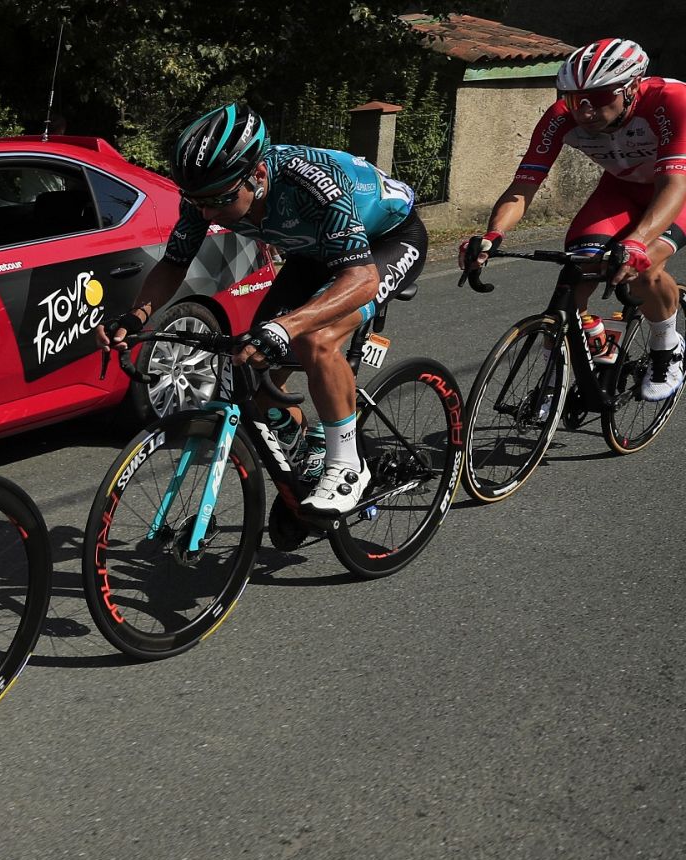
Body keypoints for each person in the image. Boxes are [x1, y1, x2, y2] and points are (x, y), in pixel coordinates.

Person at [97, 101, 427, 517]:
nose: (207, 213)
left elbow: (361, 280)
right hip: (314, 254)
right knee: (251, 367)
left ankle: (347, 466)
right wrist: (135, 317)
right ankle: (311, 446)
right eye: (196, 201)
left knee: (315, 338)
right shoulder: (210, 193)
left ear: (256, 175)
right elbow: (174, 263)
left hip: (385, 242)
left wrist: (287, 326)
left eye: (217, 201)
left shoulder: (313, 184)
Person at [461, 38, 686, 400]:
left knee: (641, 266)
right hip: (621, 190)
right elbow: (523, 187)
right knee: (578, 267)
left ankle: (668, 346)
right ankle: (590, 341)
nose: (583, 112)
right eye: (572, 99)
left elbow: (674, 185)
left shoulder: (670, 101)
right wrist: (493, 235)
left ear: (630, 88)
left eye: (597, 98)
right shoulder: (560, 117)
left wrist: (636, 242)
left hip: (678, 189)